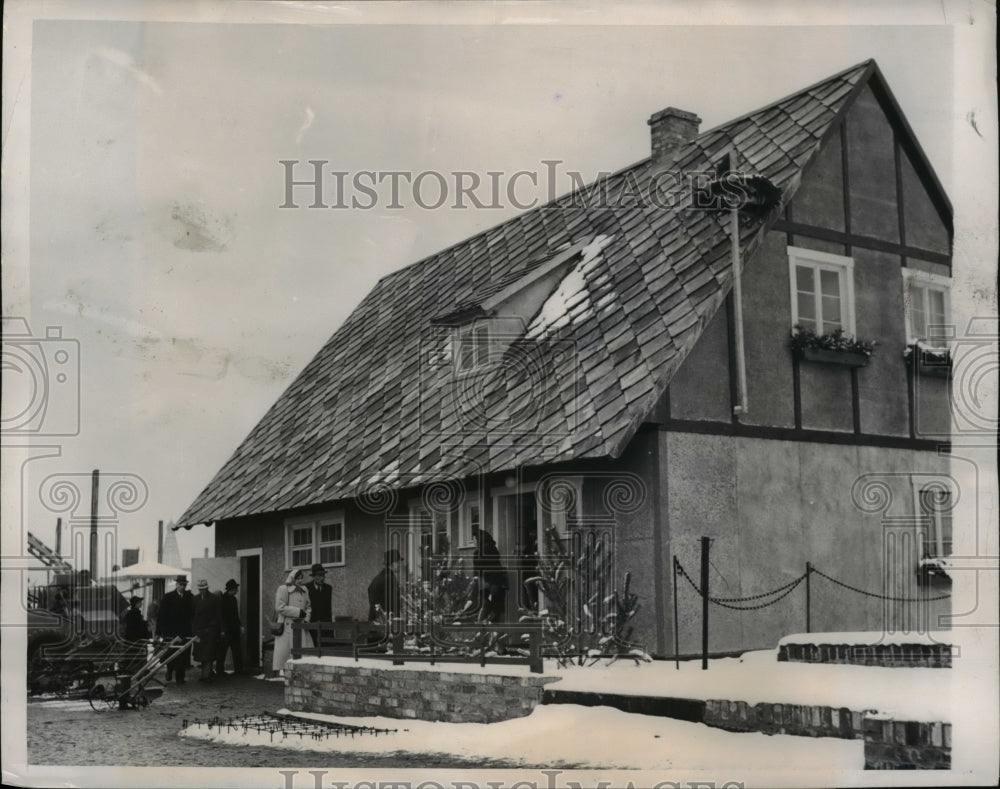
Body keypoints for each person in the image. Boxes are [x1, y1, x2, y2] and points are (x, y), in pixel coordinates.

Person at [272, 569, 313, 676]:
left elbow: (308, 607)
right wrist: (298, 612)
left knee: (304, 653)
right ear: (292, 578)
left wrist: (306, 618)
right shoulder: (283, 589)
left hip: (301, 626)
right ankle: (287, 676)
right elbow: (280, 607)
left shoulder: (304, 590)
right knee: (287, 655)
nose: (299, 581)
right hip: (287, 626)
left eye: (301, 578)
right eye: (297, 578)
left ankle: (300, 676)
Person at [156, 575, 194, 684]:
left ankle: (180, 677)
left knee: (183, 654)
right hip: (171, 631)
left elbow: (192, 613)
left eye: (184, 585)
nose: (182, 587)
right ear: (176, 584)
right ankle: (169, 670)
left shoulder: (189, 597)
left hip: (185, 631)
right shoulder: (168, 597)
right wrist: (159, 632)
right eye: (180, 585)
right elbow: (161, 615)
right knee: (171, 653)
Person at [471, 529, 508, 623]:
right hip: (498, 583)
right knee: (498, 609)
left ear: (478, 539)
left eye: (474, 539)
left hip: (487, 584)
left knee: (485, 607)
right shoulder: (493, 549)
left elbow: (478, 572)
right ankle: (498, 631)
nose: (473, 542)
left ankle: (483, 629)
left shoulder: (478, 553)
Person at [215, 578, 243, 677]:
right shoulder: (224, 600)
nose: (237, 590)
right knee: (222, 652)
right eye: (236, 588)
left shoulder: (233, 599)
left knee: (236, 651)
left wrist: (240, 626)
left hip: (233, 630)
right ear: (232, 589)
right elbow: (222, 616)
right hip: (227, 630)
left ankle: (238, 670)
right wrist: (223, 630)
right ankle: (220, 670)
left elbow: (236, 615)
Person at [367, 549, 403, 623]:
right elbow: (394, 602)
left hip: (374, 621)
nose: (400, 565)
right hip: (384, 622)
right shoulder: (390, 578)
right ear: (392, 564)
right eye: (398, 562)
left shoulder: (379, 577)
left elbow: (370, 591)